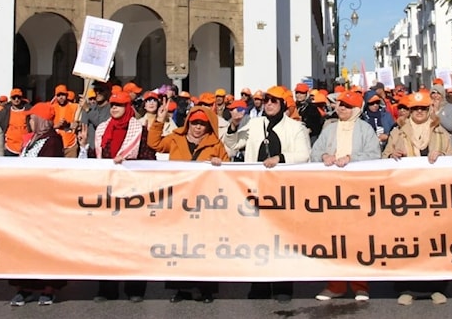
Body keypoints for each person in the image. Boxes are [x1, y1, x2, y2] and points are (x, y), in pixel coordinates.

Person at [223, 86, 310, 303]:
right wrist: (233, 125)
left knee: (282, 238)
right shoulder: (254, 124)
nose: (269, 104)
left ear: (282, 104)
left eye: (274, 101)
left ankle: (283, 284)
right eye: (267, 100)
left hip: (282, 190)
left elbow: (304, 154)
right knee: (258, 237)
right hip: (257, 187)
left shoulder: (295, 127)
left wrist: (280, 158)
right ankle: (259, 283)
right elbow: (232, 146)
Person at [382, 90, 452, 305]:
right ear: (409, 111)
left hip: (433, 196)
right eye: (415, 109)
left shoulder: (440, 132)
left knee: (434, 242)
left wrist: (441, 156)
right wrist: (391, 156)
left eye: (423, 108)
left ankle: (436, 287)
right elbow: (384, 157)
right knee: (407, 242)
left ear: (429, 109)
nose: (419, 112)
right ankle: (407, 288)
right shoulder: (398, 132)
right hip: (404, 197)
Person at [147, 106, 228, 303]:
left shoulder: (215, 144)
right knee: (179, 245)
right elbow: (155, 144)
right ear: (188, 123)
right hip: (179, 202)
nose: (198, 127)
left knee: (205, 245)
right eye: (194, 123)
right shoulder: (176, 138)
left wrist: (220, 162)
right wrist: (159, 121)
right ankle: (181, 289)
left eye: (202, 124)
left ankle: (206, 289)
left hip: (205, 202)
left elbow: (228, 167)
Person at [310, 90, 380, 302]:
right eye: (339, 105)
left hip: (357, 191)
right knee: (333, 238)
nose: (340, 108)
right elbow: (314, 152)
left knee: (358, 238)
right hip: (331, 192)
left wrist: (351, 158)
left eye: (346, 106)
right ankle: (335, 285)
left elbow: (374, 155)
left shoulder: (365, 129)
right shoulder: (329, 129)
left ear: (356, 110)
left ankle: (360, 285)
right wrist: (325, 156)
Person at [94, 90, 153, 303]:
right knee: (107, 242)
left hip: (132, 193)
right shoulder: (103, 129)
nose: (114, 109)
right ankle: (106, 289)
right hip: (109, 192)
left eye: (118, 105)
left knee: (133, 242)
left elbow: (148, 157)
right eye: (112, 105)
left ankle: (135, 288)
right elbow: (98, 155)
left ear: (127, 108)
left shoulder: (139, 130)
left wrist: (130, 163)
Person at [9, 102, 65, 305]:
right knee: (24, 245)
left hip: (44, 202)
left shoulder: (52, 141)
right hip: (25, 201)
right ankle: (24, 287)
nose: (28, 121)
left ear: (41, 120)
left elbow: (49, 168)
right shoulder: (31, 140)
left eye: (31, 118)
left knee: (45, 244)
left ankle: (47, 288)